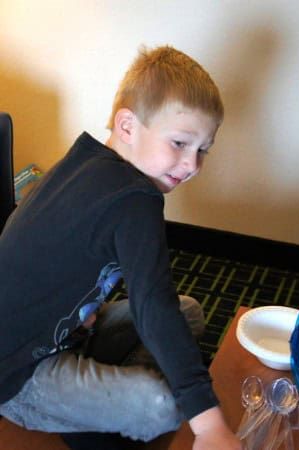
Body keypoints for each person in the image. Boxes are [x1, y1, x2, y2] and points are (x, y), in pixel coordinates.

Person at [0, 46, 241, 450]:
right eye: (180, 143)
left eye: (202, 149)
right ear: (127, 126)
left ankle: (97, 401)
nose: (192, 165)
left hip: (66, 332)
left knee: (189, 312)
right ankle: (91, 411)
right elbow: (153, 306)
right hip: (17, 373)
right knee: (161, 406)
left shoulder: (87, 159)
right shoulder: (135, 199)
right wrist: (209, 425)